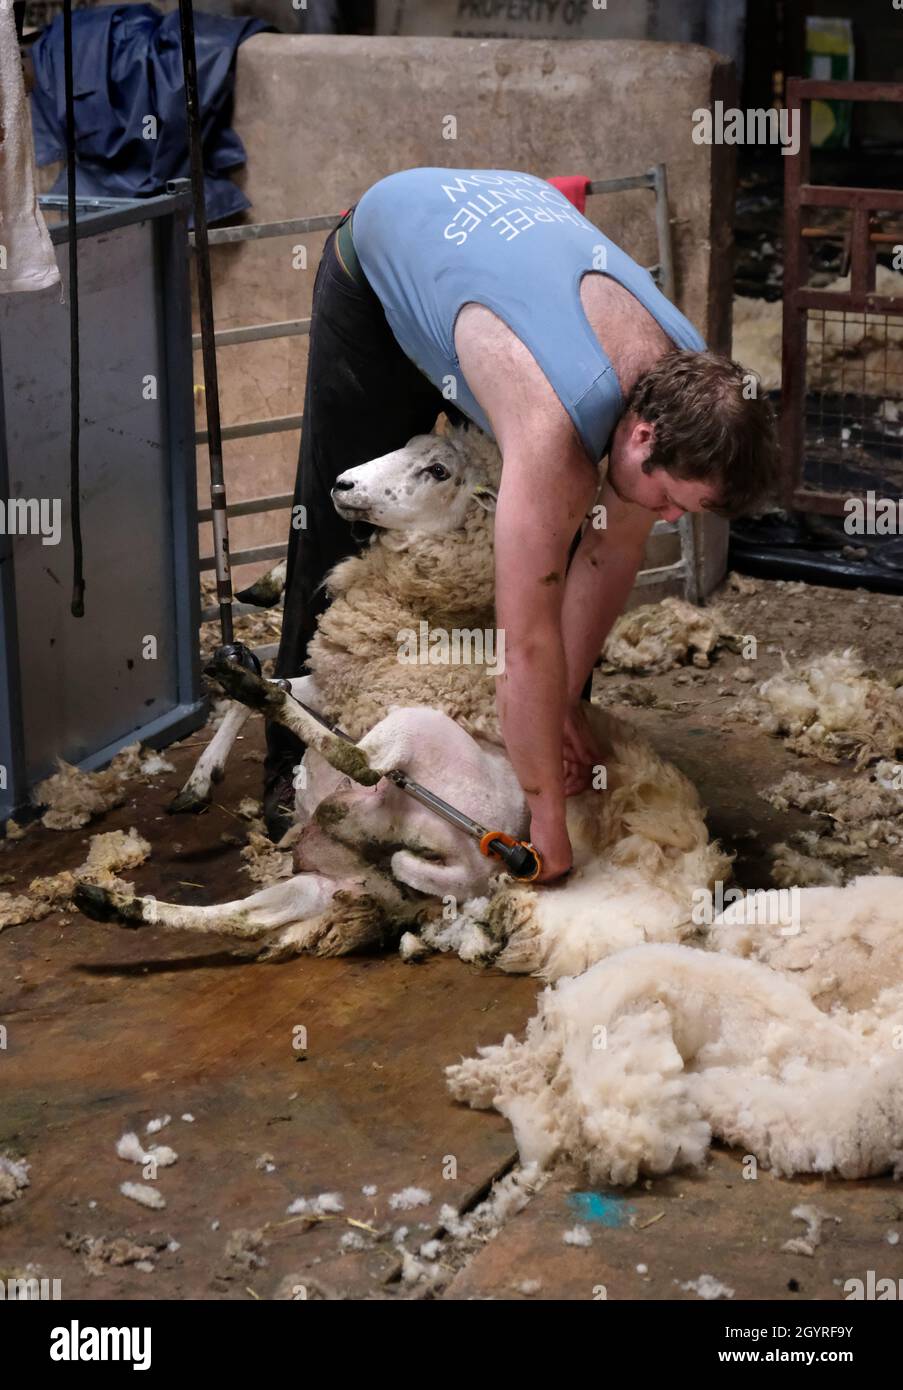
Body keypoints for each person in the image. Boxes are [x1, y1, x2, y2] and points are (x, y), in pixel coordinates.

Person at [264, 166, 778, 880]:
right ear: (640, 436)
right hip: (382, 267)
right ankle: (294, 766)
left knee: (551, 547)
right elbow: (526, 646)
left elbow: (607, 555)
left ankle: (508, 752)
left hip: (498, 285)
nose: (665, 517)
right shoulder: (555, 432)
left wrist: (566, 700)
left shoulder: (686, 384)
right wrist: (545, 836)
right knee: (346, 519)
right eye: (669, 499)